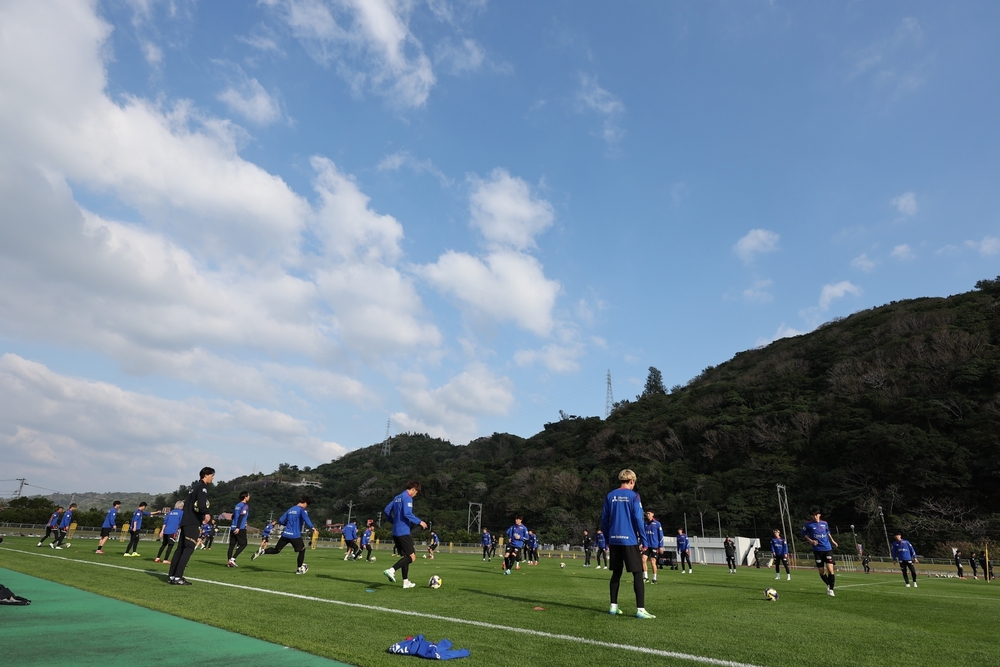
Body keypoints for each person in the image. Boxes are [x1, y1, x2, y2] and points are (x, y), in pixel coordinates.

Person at [601, 469, 654, 619]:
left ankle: (613, 606)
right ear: (632, 481)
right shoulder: (634, 496)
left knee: (616, 573)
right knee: (637, 573)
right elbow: (638, 519)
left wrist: (607, 538)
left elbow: (604, 519)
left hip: (614, 539)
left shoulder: (610, 495)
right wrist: (644, 540)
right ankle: (640, 609)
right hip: (629, 539)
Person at [168, 466, 214, 585]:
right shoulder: (202, 487)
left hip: (185, 521)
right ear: (206, 475)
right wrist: (206, 513)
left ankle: (172, 576)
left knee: (180, 549)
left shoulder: (194, 487)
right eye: (212, 475)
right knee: (189, 548)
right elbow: (201, 503)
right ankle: (178, 577)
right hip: (192, 522)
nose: (213, 478)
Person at [252, 495, 317, 574]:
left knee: (277, 550)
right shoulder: (301, 510)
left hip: (285, 534)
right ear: (305, 503)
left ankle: (262, 551)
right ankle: (299, 569)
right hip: (294, 535)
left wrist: (287, 524)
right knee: (302, 550)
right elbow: (306, 519)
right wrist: (312, 528)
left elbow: (281, 520)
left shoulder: (290, 509)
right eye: (306, 505)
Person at [382, 481, 427, 589]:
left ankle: (405, 582)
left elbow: (386, 510)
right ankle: (391, 570)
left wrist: (393, 521)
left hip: (395, 532)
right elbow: (407, 513)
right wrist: (419, 522)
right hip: (403, 532)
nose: (415, 494)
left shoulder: (397, 497)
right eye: (416, 492)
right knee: (412, 557)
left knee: (406, 557)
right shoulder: (407, 498)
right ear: (413, 489)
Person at [802, 508, 839, 597]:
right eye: (813, 515)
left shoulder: (824, 523)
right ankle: (829, 584)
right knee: (821, 572)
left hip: (827, 549)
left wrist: (833, 541)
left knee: (830, 570)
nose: (815, 517)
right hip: (817, 550)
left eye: (816, 515)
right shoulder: (808, 524)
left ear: (819, 515)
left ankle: (831, 590)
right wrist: (811, 541)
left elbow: (828, 532)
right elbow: (803, 534)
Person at [227, 492, 250, 567]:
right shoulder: (245, 506)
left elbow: (232, 516)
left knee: (231, 545)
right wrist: (238, 527)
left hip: (233, 527)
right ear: (245, 497)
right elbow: (241, 516)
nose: (249, 497)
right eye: (248, 495)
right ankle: (233, 559)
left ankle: (229, 562)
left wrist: (235, 524)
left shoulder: (237, 505)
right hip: (240, 528)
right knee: (244, 544)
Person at [642, 511, 664, 584]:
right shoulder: (644, 524)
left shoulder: (657, 524)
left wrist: (660, 546)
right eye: (647, 513)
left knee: (653, 561)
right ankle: (646, 577)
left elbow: (661, 536)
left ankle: (654, 578)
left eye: (649, 513)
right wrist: (641, 543)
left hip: (654, 545)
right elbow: (642, 535)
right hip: (646, 545)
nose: (648, 515)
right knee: (643, 559)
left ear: (652, 514)